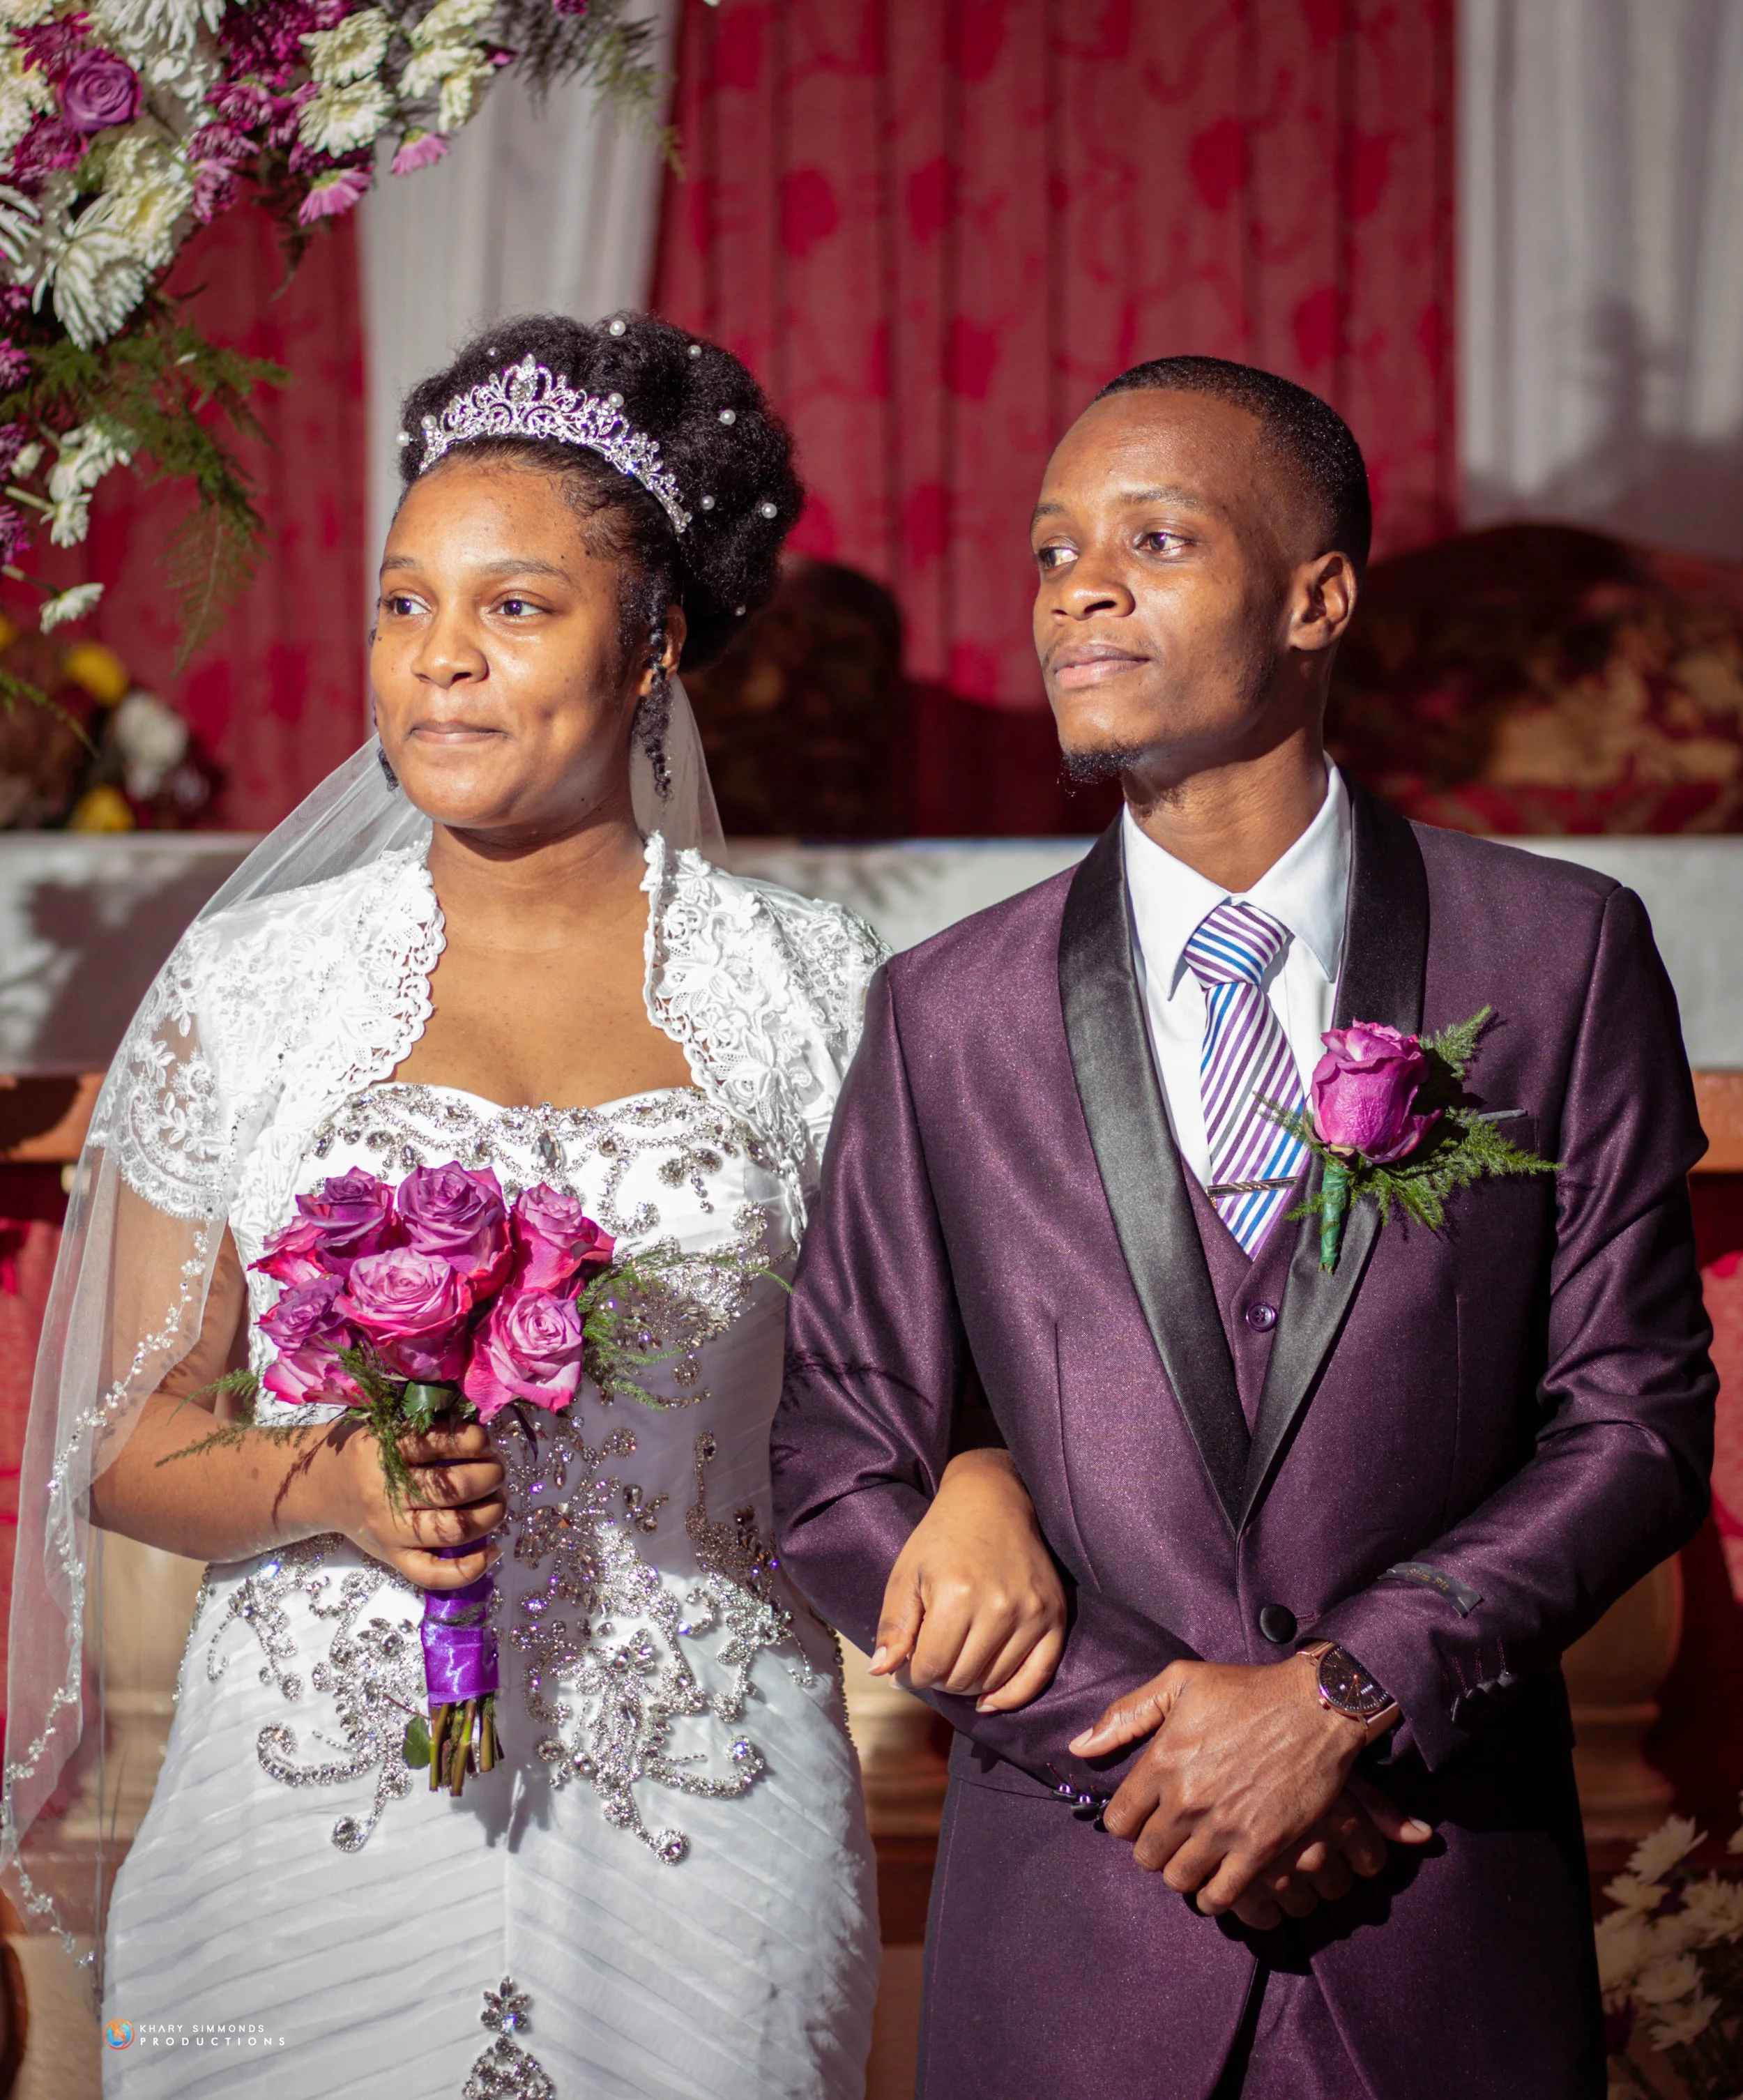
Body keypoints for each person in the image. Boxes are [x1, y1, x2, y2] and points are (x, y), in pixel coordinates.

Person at [6, 311, 1058, 2100]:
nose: (440, 666)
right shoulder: (251, 986)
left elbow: (941, 1392)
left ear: (651, 649)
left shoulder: (813, 992)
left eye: (514, 607)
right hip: (303, 1825)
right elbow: (114, 1442)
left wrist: (980, 1475)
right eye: (406, 605)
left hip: (698, 1808)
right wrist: (334, 1479)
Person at [770, 356, 1717, 2099]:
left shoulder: (1556, 957)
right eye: (1053, 551)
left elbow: (1636, 1420)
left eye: (1154, 536)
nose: (1082, 588)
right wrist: (1164, 1746)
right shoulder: (939, 1015)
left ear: (1316, 596)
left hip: (1431, 1920)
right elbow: (836, 1462)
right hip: (1077, 1933)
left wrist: (1341, 1696)